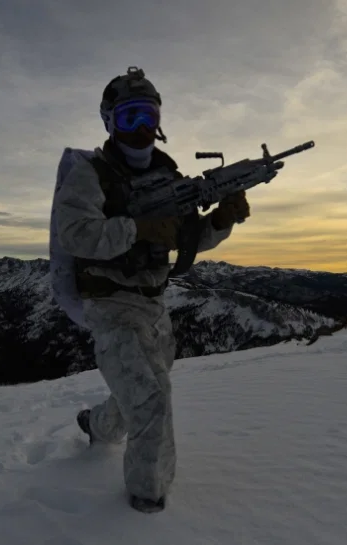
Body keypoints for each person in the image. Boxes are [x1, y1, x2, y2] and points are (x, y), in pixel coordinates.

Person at [48, 66, 250, 513]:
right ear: (109, 123)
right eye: (128, 118)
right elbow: (76, 234)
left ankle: (97, 426)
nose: (140, 129)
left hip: (154, 303)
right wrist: (137, 230)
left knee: (145, 389)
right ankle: (147, 503)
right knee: (152, 402)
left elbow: (185, 238)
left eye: (148, 116)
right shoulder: (91, 172)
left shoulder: (170, 178)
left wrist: (220, 220)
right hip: (109, 303)